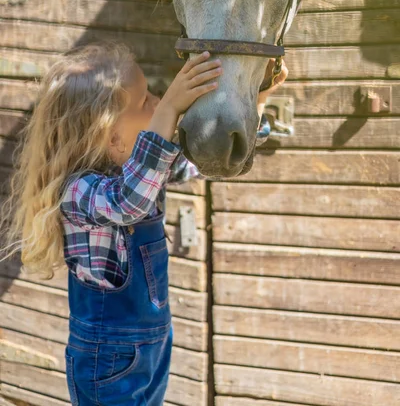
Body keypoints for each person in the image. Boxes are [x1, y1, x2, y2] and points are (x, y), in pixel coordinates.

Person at [1, 41, 288, 406]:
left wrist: (256, 103)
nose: (156, 102)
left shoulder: (139, 171)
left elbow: (197, 162)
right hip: (108, 359)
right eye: (145, 102)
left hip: (152, 343)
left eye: (153, 95)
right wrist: (169, 108)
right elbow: (127, 203)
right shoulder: (77, 192)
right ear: (112, 137)